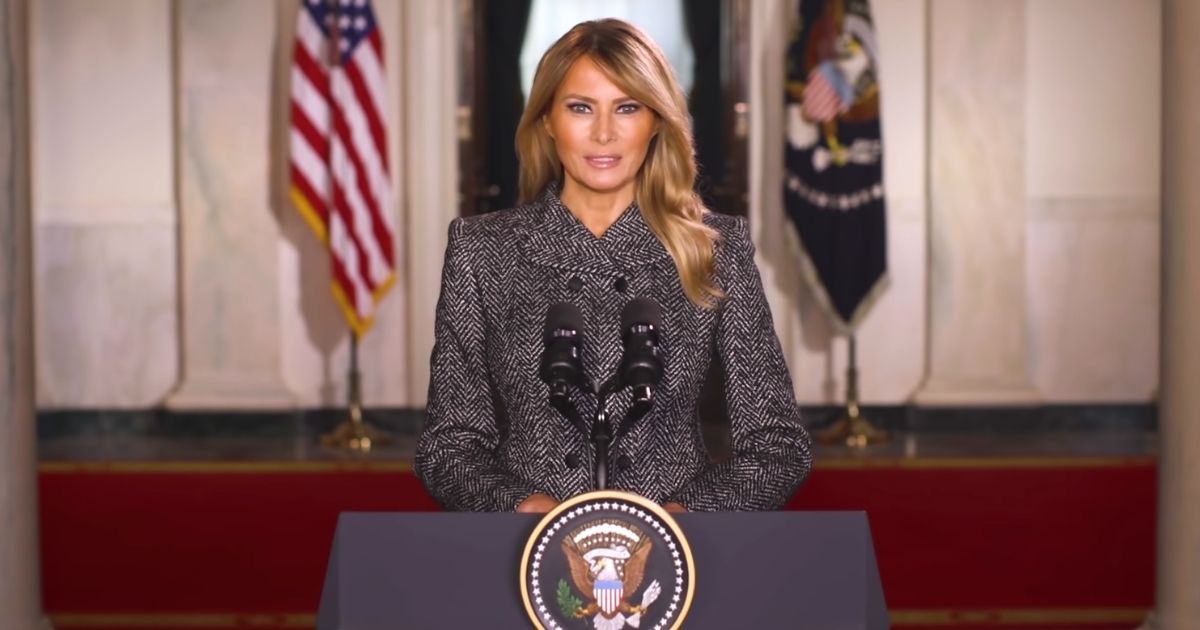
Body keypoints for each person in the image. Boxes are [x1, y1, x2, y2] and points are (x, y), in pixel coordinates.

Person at [415, 18, 811, 513]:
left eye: (627, 108)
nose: (604, 133)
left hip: (679, 545)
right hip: (528, 544)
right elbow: (448, 447)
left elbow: (778, 446)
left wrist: (683, 517)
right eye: (580, 108)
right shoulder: (482, 249)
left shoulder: (716, 249)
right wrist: (522, 508)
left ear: (657, 122)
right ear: (547, 121)